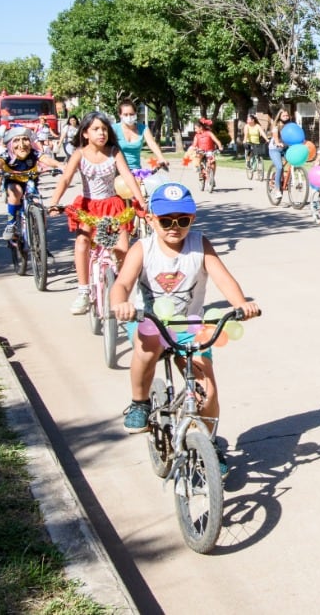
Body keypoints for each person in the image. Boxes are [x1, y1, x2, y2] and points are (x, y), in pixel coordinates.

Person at [110, 182, 260, 473]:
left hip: (190, 326)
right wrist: (121, 304)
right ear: (151, 218)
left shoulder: (200, 243)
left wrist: (241, 304)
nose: (174, 227)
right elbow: (123, 284)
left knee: (209, 390)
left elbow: (223, 278)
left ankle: (209, 440)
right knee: (148, 344)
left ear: (193, 219)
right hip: (150, 322)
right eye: (166, 220)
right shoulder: (143, 248)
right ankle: (140, 402)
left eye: (183, 220)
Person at [47, 111, 146, 315]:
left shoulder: (114, 152)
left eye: (104, 129)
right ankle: (83, 291)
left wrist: (141, 201)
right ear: (85, 133)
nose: (101, 133)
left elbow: (127, 177)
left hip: (114, 206)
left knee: (122, 248)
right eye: (96, 129)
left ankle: (117, 284)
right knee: (82, 242)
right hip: (88, 205)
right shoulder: (79, 154)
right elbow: (65, 179)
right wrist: (54, 201)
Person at [0, 126, 54, 241]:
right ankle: (11, 224)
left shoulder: (33, 153)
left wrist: (61, 165)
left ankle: (40, 238)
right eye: (16, 140)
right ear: (10, 144)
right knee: (16, 191)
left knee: (38, 205)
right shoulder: (7, 155)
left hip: (30, 181)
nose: (22, 144)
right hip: (13, 181)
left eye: (25, 139)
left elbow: (46, 159)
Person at [114, 99, 168, 173]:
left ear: (136, 114)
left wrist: (161, 158)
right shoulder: (113, 129)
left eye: (131, 114)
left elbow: (152, 143)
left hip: (136, 170)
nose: (129, 117)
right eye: (125, 114)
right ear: (120, 115)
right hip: (118, 170)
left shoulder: (143, 128)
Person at [190, 119, 223, 184]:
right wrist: (194, 148)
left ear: (201, 127)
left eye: (196, 128)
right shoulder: (197, 136)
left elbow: (217, 141)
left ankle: (212, 177)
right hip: (201, 151)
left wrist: (220, 146)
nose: (195, 130)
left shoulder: (209, 133)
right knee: (198, 159)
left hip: (209, 151)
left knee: (213, 162)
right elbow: (194, 144)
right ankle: (200, 173)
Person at [269, 108, 293, 192]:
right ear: (279, 116)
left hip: (286, 147)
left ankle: (287, 179)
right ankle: (277, 188)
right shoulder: (276, 126)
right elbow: (275, 137)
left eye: (287, 115)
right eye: (284, 115)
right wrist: (278, 142)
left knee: (293, 161)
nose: (286, 117)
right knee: (279, 167)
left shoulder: (291, 125)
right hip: (275, 149)